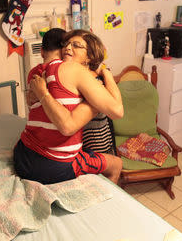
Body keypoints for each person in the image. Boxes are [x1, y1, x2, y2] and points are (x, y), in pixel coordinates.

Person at [14, 29, 123, 184]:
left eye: (76, 45)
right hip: (53, 165)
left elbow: (30, 100)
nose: (68, 48)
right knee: (117, 164)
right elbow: (117, 110)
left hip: (22, 155)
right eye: (66, 44)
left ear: (89, 57)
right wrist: (107, 74)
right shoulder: (79, 73)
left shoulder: (40, 71)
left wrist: (41, 93)